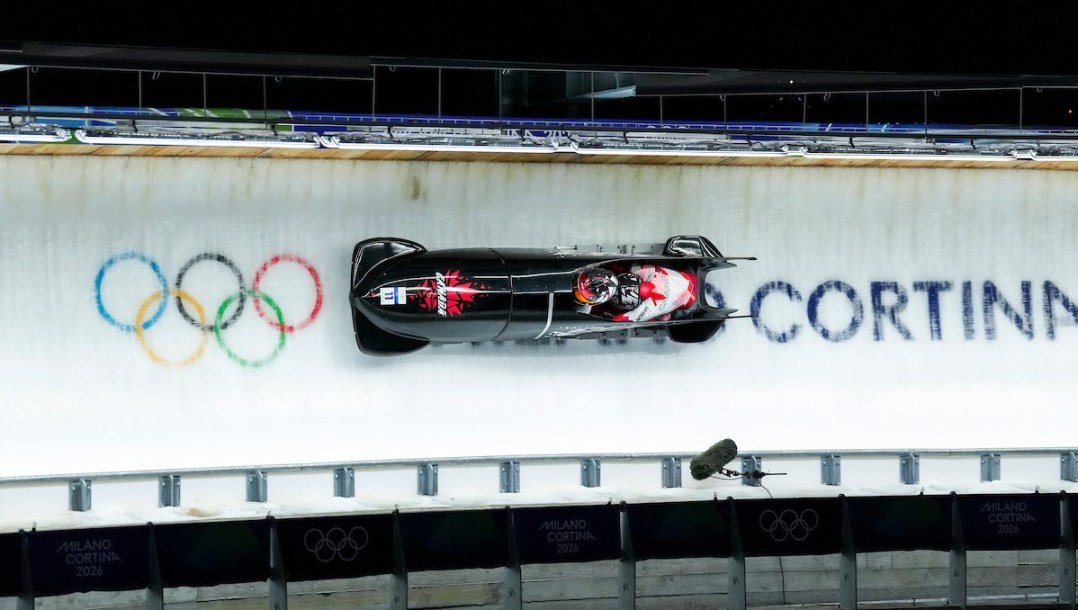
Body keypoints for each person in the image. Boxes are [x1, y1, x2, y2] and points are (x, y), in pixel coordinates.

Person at [573, 264, 697, 322]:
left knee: (664, 318)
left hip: (691, 302)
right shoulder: (642, 271)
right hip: (688, 275)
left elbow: (620, 319)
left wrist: (600, 315)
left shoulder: (650, 308)